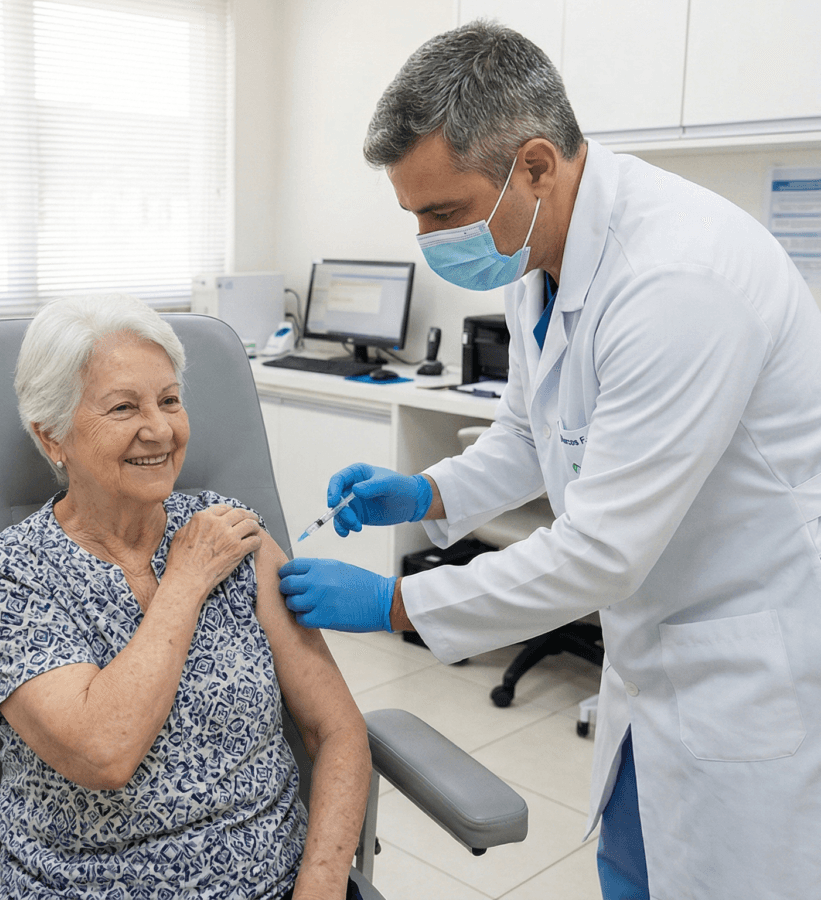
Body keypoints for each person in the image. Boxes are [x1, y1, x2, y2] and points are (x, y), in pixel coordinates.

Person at [277, 20, 821, 900]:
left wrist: (396, 601)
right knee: (635, 864)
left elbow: (600, 551)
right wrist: (423, 490)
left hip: (745, 659)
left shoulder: (678, 281)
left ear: (534, 165)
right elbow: (533, 437)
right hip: (658, 650)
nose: (427, 238)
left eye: (443, 213)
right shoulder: (543, 253)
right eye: (414, 215)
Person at [0, 295, 371, 900]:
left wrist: (321, 884)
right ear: (53, 437)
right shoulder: (9, 574)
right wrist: (183, 580)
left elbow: (337, 730)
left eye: (170, 400)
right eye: (124, 407)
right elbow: (105, 753)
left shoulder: (231, 534)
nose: (159, 429)